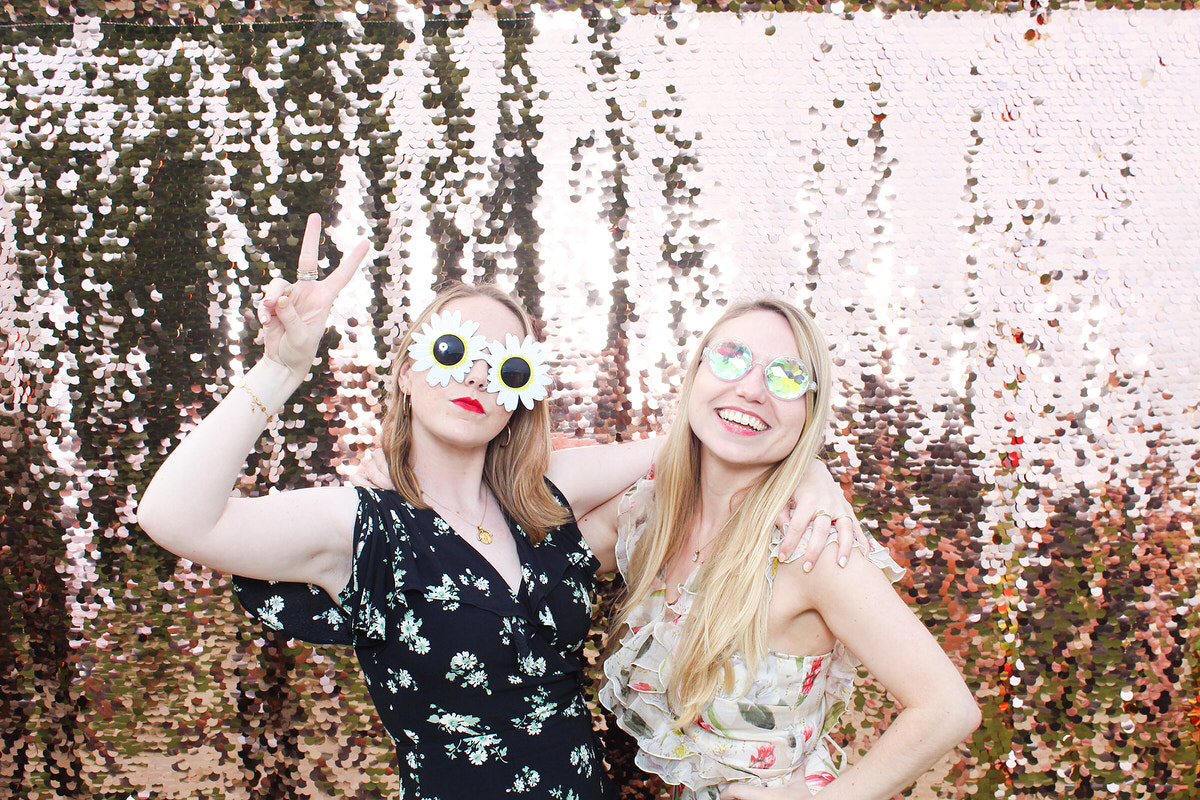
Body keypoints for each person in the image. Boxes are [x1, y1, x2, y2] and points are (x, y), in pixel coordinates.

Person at [136, 214, 859, 799]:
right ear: (406, 374)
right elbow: (174, 518)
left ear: (522, 395)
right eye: (453, 350)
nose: (477, 373)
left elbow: (698, 443)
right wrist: (282, 367)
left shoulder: (546, 501)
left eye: (505, 363)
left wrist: (812, 472)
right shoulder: (358, 527)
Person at [578, 298, 982, 799]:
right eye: (729, 358)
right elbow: (526, 497)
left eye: (787, 377)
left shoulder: (807, 546)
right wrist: (677, 443)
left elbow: (947, 707)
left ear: (810, 411)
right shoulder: (650, 516)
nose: (750, 389)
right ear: (696, 371)